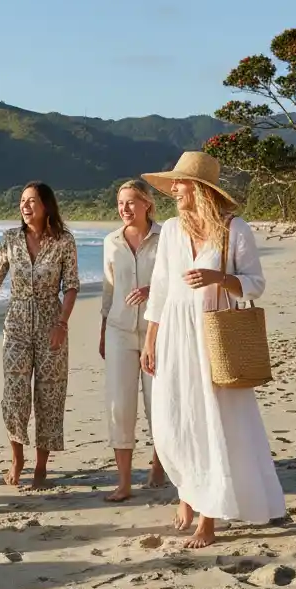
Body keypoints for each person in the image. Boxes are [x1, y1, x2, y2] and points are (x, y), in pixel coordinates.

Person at [140, 152, 284, 548]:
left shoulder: (234, 229)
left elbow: (255, 283)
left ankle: (208, 516)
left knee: (213, 423)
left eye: (181, 183)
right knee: (174, 421)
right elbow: (162, 289)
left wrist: (221, 277)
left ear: (201, 188)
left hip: (213, 336)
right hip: (174, 334)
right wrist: (151, 340)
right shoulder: (170, 230)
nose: (174, 190)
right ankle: (187, 491)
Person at [0, 181, 79, 489]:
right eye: (22, 201)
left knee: (50, 394)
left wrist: (62, 323)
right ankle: (17, 457)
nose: (25, 206)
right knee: (15, 395)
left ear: (46, 206)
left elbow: (72, 285)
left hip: (52, 320)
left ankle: (40, 466)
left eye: (32, 201)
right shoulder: (10, 239)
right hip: (17, 324)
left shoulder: (64, 241)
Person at [99, 179, 166, 501]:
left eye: (131, 202)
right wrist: (102, 330)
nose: (125, 208)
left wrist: (152, 292)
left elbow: (179, 282)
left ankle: (159, 463)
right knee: (120, 406)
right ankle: (124, 482)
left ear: (147, 204)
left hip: (160, 332)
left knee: (160, 405)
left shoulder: (167, 238)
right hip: (118, 331)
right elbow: (108, 289)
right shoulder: (110, 241)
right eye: (121, 203)